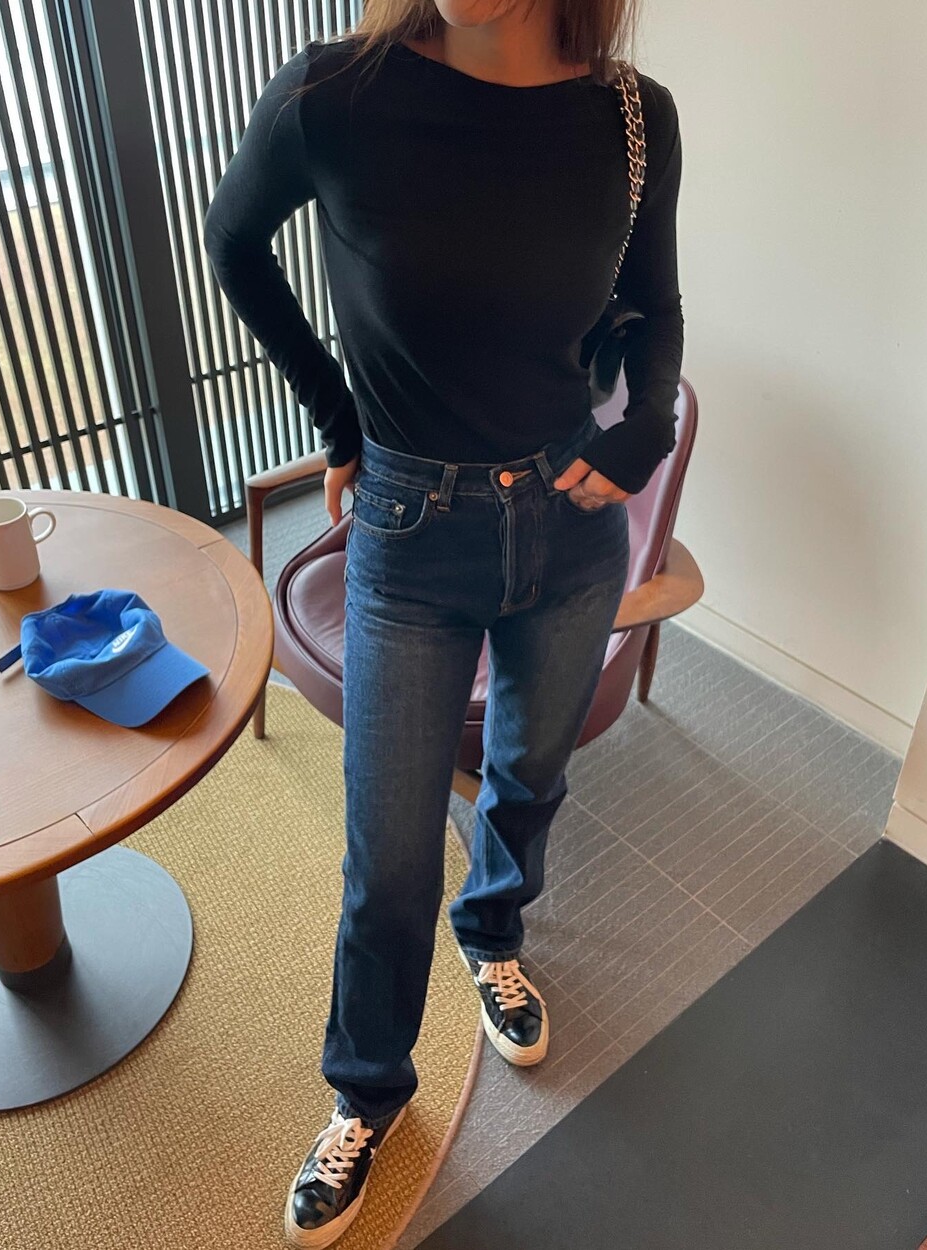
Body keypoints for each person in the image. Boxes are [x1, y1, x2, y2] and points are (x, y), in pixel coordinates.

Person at [204, 1, 683, 1243]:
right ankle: (365, 1091)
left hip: (571, 525)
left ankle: (494, 931)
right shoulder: (335, 97)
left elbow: (654, 306)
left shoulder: (631, 117)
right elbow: (234, 242)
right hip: (408, 534)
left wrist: (645, 428)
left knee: (528, 771)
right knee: (392, 851)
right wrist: (337, 417)